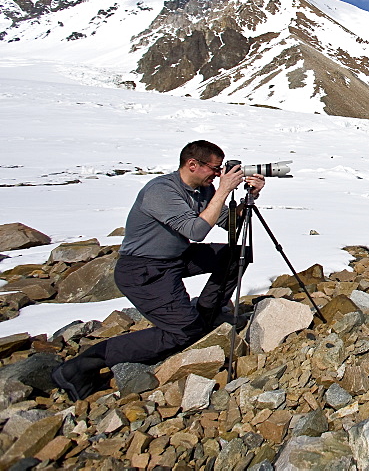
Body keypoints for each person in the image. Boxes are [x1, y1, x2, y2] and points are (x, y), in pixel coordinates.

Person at [51, 140, 265, 401]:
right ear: (192, 164)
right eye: (215, 168)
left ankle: (208, 315)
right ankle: (80, 366)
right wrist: (222, 192)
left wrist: (249, 197)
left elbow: (227, 224)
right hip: (143, 269)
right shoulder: (162, 191)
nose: (219, 174)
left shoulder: (202, 189)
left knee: (237, 253)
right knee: (182, 333)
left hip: (175, 258)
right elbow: (196, 231)